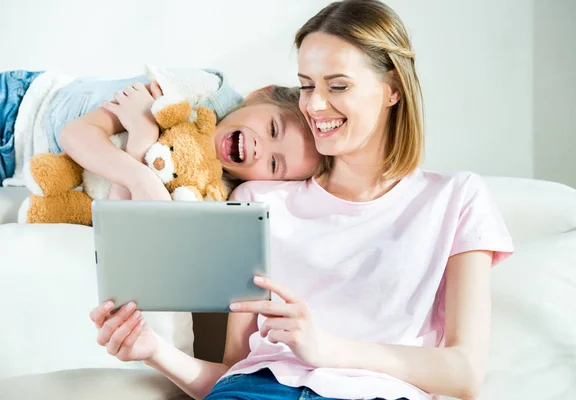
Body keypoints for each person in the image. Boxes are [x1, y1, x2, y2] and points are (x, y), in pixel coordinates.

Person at [90, 1, 514, 399]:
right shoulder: (257, 200)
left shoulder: (455, 198)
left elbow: (464, 373)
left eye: (338, 85)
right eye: (307, 85)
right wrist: (153, 349)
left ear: (393, 89)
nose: (314, 104)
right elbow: (232, 371)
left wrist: (324, 348)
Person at [0, 69, 322, 195]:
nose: (259, 149)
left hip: (17, 169)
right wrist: (141, 178)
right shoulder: (201, 93)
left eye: (275, 164)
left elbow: (116, 213)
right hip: (21, 108)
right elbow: (77, 133)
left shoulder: (212, 187)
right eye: (272, 128)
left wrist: (141, 137)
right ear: (260, 93)